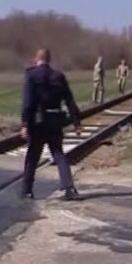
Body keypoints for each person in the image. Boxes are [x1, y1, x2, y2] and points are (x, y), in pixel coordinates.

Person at [20, 48, 81, 201]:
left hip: (38, 122)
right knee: (58, 154)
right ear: (49, 59)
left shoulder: (31, 75)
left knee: (33, 156)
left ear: (36, 59)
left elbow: (27, 102)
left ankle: (27, 190)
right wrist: (76, 121)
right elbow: (69, 100)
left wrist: (25, 123)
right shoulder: (59, 76)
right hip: (55, 121)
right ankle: (69, 187)